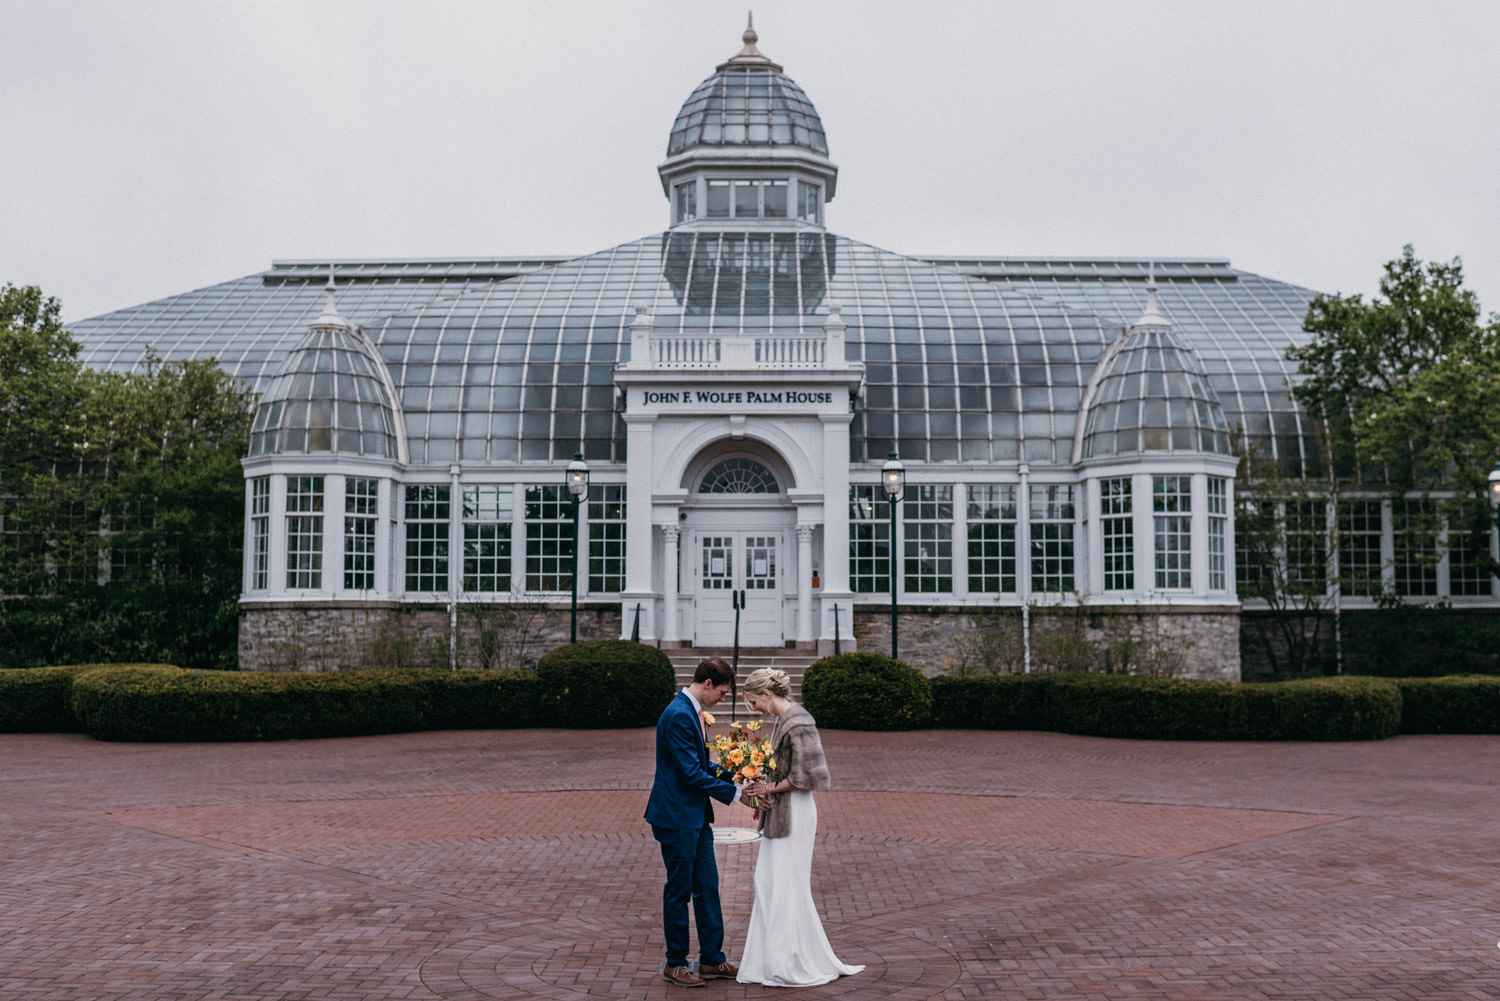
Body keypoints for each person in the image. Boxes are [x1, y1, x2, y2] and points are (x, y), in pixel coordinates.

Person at [737, 668, 864, 987]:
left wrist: (767, 789)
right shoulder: (782, 721)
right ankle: (772, 960)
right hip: (780, 811)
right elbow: (779, 770)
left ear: (766, 694)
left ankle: (788, 963)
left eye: (753, 702)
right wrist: (759, 794)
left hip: (797, 814)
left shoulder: (799, 720)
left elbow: (810, 777)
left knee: (785, 884)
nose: (754, 710)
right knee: (766, 881)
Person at [644, 656, 744, 988]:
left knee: (707, 886)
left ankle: (712, 960)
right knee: (680, 889)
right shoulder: (677, 716)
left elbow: (701, 762)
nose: (723, 700)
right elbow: (690, 774)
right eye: (724, 693)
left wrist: (736, 774)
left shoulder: (691, 712)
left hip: (695, 817)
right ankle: (675, 963)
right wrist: (736, 794)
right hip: (675, 817)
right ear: (708, 685)